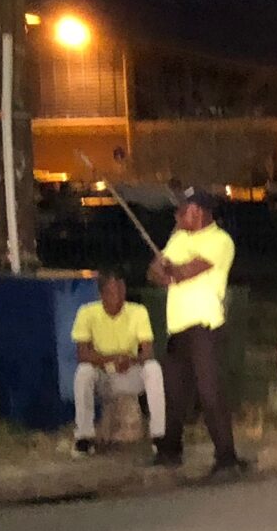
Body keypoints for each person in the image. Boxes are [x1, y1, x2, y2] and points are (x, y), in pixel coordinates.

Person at [147, 187, 245, 477]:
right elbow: (155, 273)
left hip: (204, 325)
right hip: (178, 326)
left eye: (183, 210)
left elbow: (188, 271)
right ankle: (170, 451)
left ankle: (227, 458)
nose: (177, 216)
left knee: (209, 392)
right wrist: (164, 269)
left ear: (199, 212)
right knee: (174, 393)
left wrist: (170, 270)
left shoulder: (220, 241)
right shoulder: (178, 238)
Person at [70, 267, 163, 454]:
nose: (118, 297)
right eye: (112, 292)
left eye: (121, 291)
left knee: (153, 368)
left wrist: (130, 360)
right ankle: (84, 438)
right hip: (104, 375)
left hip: (128, 372)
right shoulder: (87, 313)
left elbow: (147, 352)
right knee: (83, 372)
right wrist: (112, 358)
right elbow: (82, 354)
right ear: (101, 294)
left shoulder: (138, 311)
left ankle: (159, 435)